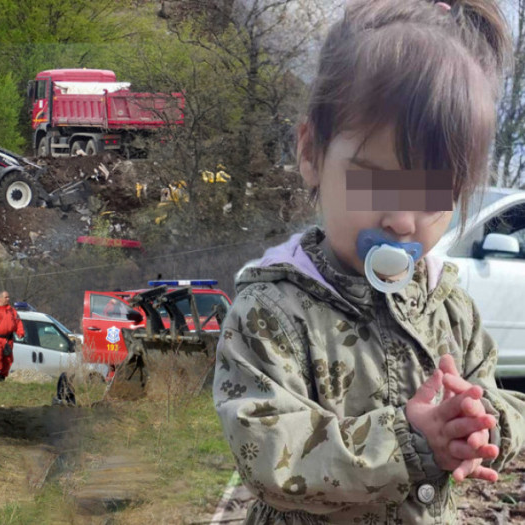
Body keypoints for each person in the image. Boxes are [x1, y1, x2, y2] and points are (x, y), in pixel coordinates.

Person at [213, 1, 525, 523]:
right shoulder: (271, 312)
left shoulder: (451, 310)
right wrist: (409, 439)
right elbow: (270, 454)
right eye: (375, 179)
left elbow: (496, 395)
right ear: (312, 152)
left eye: (433, 192)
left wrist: (478, 424)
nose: (402, 221)